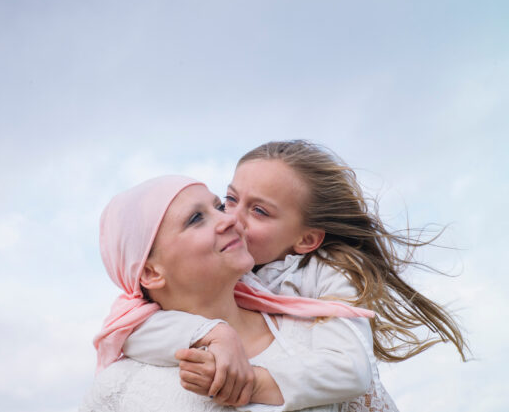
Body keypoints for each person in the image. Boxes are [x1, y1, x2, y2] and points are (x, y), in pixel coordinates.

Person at [123, 140, 469, 411]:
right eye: (229, 199)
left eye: (259, 211)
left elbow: (348, 369)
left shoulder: (328, 273)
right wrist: (214, 334)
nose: (231, 218)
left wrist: (255, 384)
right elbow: (131, 328)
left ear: (305, 240)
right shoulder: (222, 270)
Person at [81, 175, 375, 412]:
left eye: (219, 207)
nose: (231, 219)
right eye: (196, 218)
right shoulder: (119, 389)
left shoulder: (315, 322)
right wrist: (214, 332)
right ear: (150, 273)